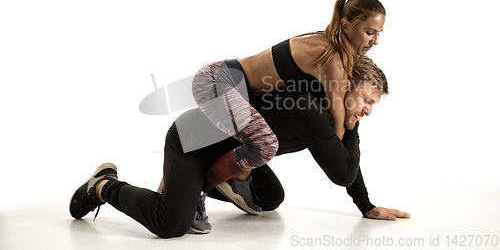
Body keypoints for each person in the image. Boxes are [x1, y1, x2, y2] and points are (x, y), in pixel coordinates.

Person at [69, 56, 409, 239]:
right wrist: (353, 128)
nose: (367, 111)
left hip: (237, 150)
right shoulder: (310, 108)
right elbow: (342, 170)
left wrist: (366, 205)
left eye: (373, 105)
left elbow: (343, 158)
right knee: (171, 223)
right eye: (366, 100)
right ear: (343, 86)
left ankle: (196, 185)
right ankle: (102, 186)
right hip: (192, 142)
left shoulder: (332, 114)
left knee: (270, 199)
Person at [188, 0, 386, 223]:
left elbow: (336, 145)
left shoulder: (331, 45)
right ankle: (195, 191)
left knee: (265, 166)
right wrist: (351, 122)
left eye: (379, 34)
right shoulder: (333, 60)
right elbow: (337, 138)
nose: (376, 41)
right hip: (217, 83)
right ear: (345, 24)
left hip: (231, 85)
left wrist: (365, 205)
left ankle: (226, 177)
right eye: (370, 32)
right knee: (264, 143)